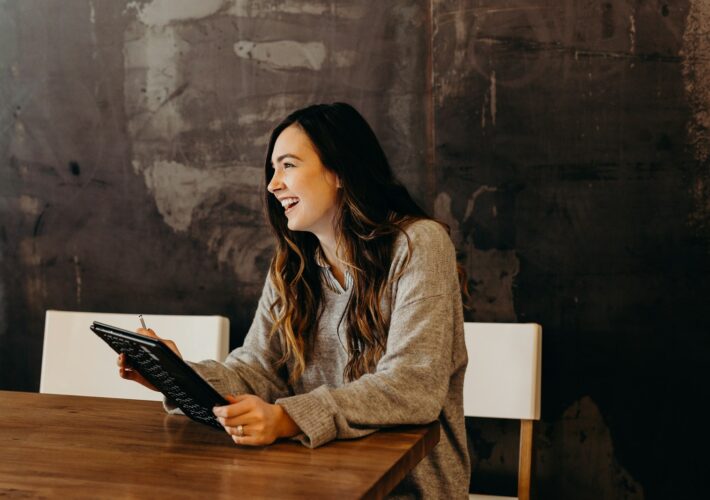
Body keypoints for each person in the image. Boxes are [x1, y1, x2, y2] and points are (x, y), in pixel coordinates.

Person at [118, 102, 470, 498]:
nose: (272, 184)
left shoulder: (418, 245)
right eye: (272, 169)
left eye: (287, 165)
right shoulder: (292, 267)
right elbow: (257, 372)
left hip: (404, 489)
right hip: (310, 480)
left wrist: (287, 419)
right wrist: (177, 376)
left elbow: (412, 387)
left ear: (339, 171)